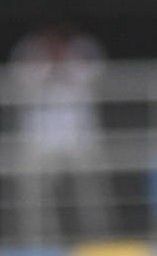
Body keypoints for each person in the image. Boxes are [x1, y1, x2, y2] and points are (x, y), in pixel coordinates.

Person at [9, 19, 112, 242]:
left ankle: (99, 239)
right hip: (40, 139)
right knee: (34, 193)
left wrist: (65, 62)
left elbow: (94, 77)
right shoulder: (29, 50)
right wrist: (50, 66)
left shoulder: (85, 48)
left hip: (79, 137)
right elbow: (24, 81)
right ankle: (34, 242)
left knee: (91, 191)